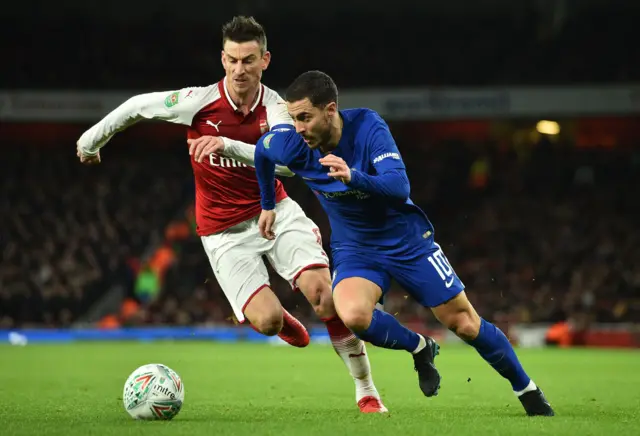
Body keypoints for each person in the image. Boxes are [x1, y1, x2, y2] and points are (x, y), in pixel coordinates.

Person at [76, 18, 386, 413]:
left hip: (273, 211)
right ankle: (279, 320)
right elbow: (138, 107)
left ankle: (366, 390)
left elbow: (289, 166)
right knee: (268, 322)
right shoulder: (198, 101)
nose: (240, 69)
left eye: (249, 60)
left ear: (265, 60)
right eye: (233, 60)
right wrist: (91, 141)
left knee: (325, 297)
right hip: (222, 232)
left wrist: (226, 144)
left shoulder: (277, 107)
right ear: (223, 59)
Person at [216, 70, 555, 416]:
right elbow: (262, 152)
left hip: (406, 242)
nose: (298, 128)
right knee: (353, 315)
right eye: (293, 119)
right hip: (356, 249)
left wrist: (353, 176)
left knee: (464, 323)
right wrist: (267, 205)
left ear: (330, 110)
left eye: (305, 118)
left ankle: (527, 389)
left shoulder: (367, 127)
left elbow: (398, 188)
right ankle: (420, 348)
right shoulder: (293, 143)